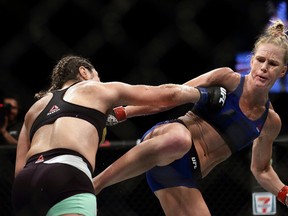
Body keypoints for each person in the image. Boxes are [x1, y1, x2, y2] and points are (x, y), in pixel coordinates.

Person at [93, 19, 288, 216]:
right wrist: (123, 112)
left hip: (184, 175)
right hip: (169, 138)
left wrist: (285, 194)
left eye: (272, 64)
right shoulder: (227, 79)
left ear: (282, 71)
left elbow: (262, 169)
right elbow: (171, 96)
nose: (264, 67)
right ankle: (94, 185)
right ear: (252, 60)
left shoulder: (270, 122)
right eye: (261, 60)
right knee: (179, 140)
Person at [11, 55, 226, 216]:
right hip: (67, 174)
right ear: (84, 72)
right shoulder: (94, 89)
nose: (99, 80)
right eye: (98, 76)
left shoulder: (34, 109)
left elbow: (20, 167)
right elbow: (167, 94)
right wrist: (205, 94)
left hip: (24, 185)